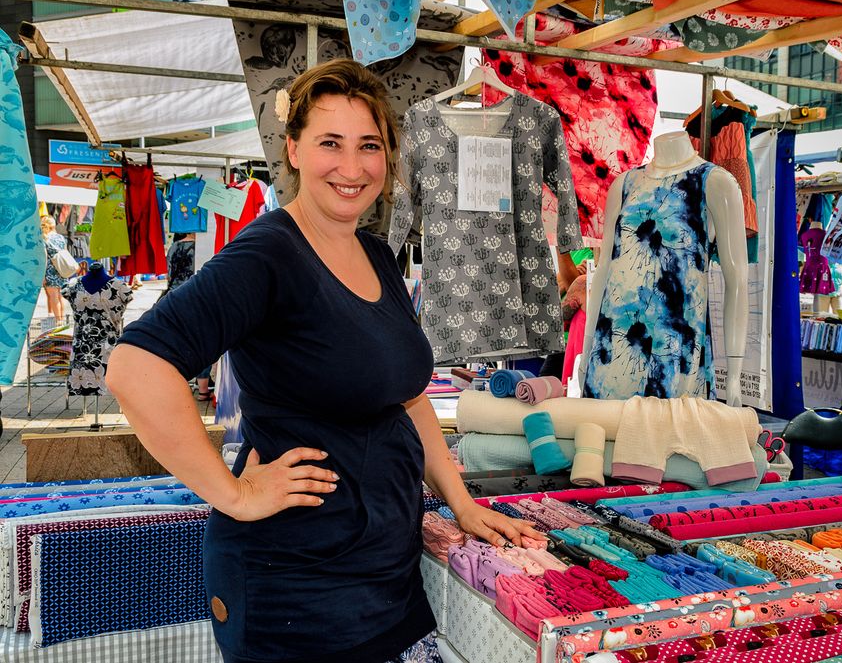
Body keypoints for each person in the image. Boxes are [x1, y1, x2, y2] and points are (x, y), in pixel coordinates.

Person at [106, 59, 541, 663]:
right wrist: (233, 494)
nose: (352, 166)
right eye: (329, 144)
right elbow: (135, 367)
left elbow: (407, 396)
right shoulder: (268, 255)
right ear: (294, 150)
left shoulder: (375, 253)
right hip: (296, 590)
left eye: (369, 146)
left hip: (386, 578)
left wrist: (460, 502)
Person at [163, 232, 213, 402]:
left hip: (174, 297)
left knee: (177, 343)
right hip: (197, 297)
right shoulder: (203, 248)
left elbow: (169, 275)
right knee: (202, 343)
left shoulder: (174, 247)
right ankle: (203, 390)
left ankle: (177, 386)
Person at [40, 216, 69, 323]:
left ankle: (58, 321)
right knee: (60, 296)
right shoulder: (61, 237)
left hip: (49, 270)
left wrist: (42, 275)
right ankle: (62, 319)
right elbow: (65, 252)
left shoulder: (44, 237)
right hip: (61, 268)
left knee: (53, 296)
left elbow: (44, 257)